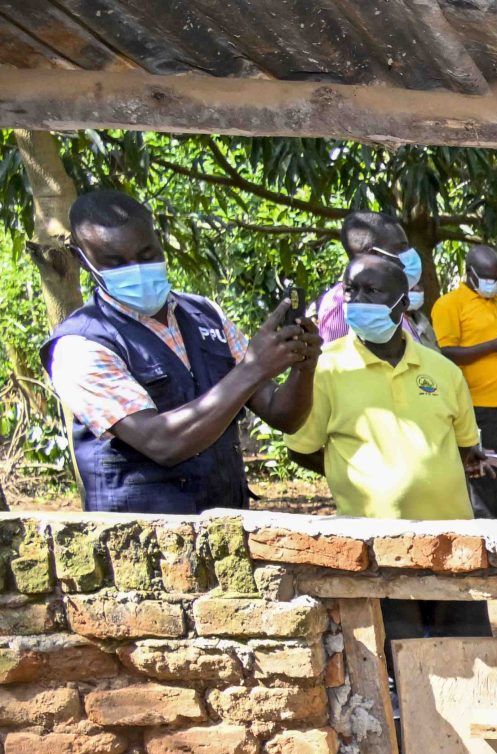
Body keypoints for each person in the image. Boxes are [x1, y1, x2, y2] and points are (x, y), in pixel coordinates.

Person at [42, 187, 316, 514]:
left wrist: (303, 366)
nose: (137, 269)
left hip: (224, 531)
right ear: (82, 261)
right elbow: (162, 443)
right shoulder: (80, 345)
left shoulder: (206, 315)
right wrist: (253, 368)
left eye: (146, 255)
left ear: (159, 243)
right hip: (140, 545)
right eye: (115, 263)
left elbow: (283, 415)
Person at [284, 251, 486, 519]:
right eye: (350, 290)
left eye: (372, 290)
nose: (357, 300)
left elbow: (464, 446)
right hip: (371, 543)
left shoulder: (444, 371)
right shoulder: (325, 368)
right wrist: (359, 477)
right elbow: (300, 450)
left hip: (451, 534)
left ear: (402, 304)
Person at [429, 242, 497, 519]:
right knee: (488, 481)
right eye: (488, 278)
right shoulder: (450, 304)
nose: (493, 284)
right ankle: (489, 546)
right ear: (470, 273)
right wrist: (493, 346)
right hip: (484, 408)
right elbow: (446, 354)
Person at [315, 210, 424, 346]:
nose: (409, 255)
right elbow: (337, 363)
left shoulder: (389, 298)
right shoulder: (344, 305)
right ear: (373, 255)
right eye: (400, 249)